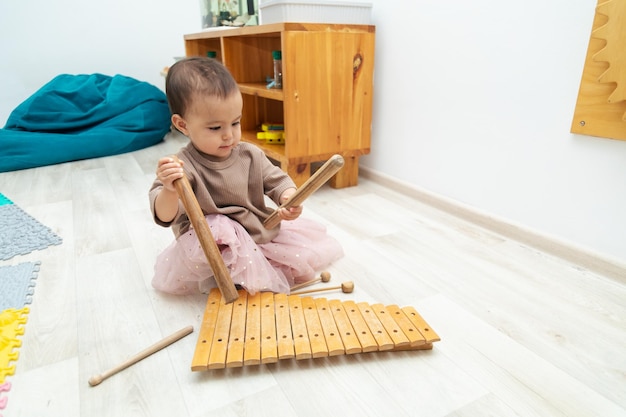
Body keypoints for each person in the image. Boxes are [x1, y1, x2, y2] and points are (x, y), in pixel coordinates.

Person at [149, 57, 343, 295]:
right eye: (215, 128)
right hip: (212, 245)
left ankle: (255, 264)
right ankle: (235, 271)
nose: (229, 135)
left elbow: (277, 181)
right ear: (183, 125)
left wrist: (288, 199)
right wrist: (170, 189)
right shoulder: (182, 166)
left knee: (286, 260)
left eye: (235, 122)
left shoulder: (249, 154)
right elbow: (165, 215)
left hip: (256, 230)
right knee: (219, 225)